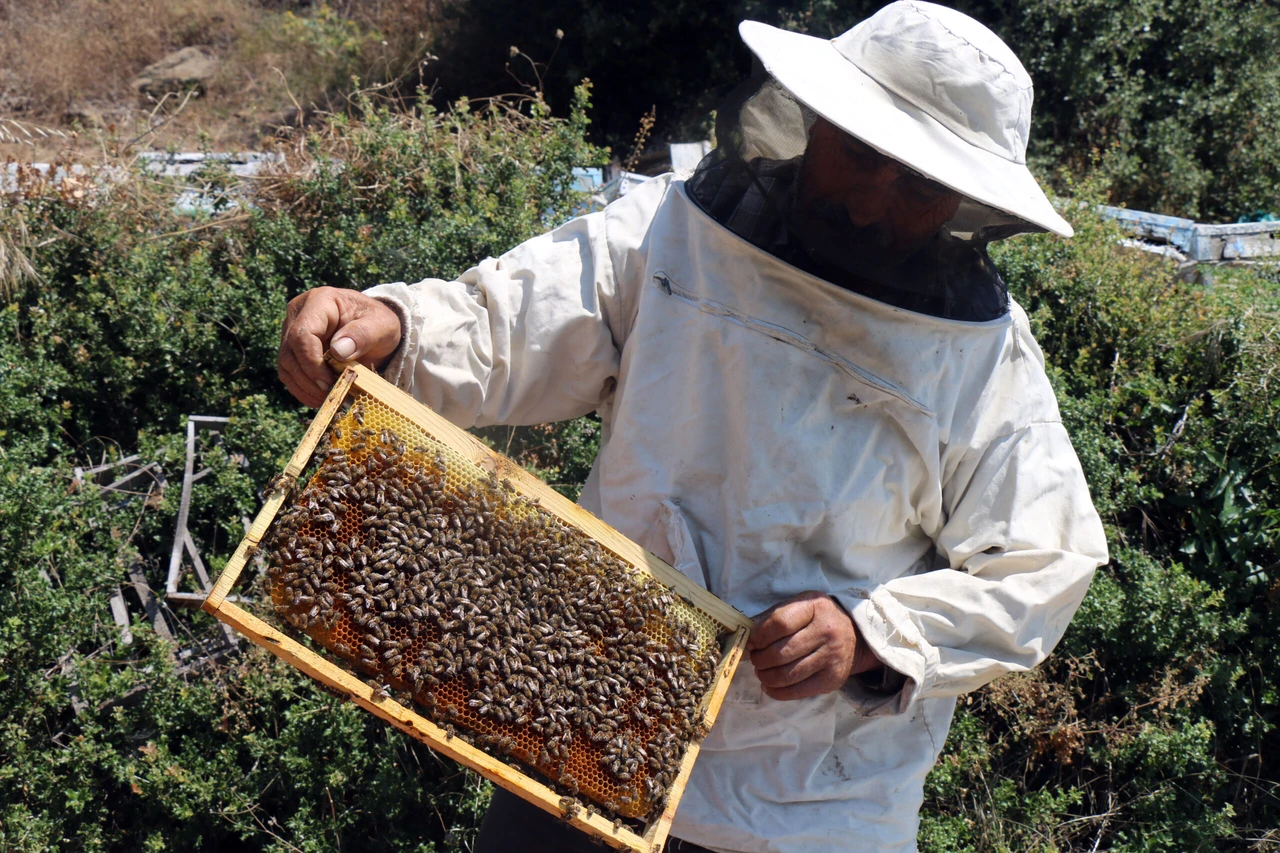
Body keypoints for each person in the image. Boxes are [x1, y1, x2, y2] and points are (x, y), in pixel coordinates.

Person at [276, 2, 1109, 851]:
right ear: (817, 121)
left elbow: (1041, 565)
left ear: (965, 200)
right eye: (861, 155)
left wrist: (870, 634)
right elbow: (511, 321)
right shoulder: (675, 232)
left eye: (920, 187)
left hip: (803, 814)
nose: (870, 205)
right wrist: (390, 323)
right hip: (580, 737)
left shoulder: (984, 357)